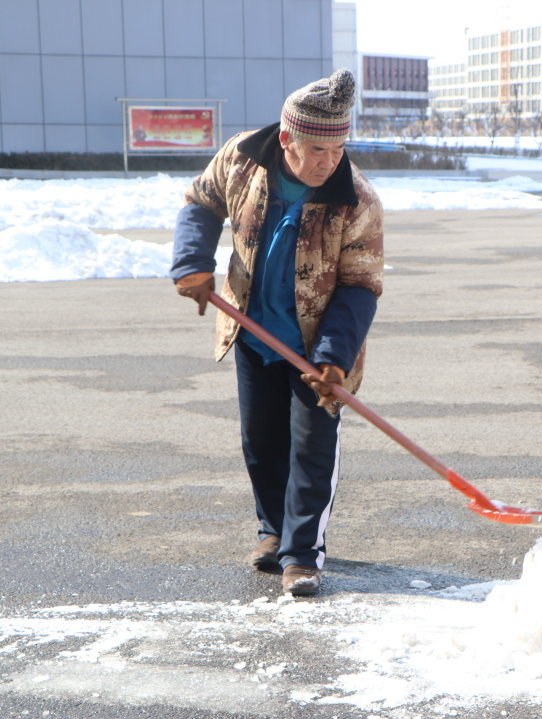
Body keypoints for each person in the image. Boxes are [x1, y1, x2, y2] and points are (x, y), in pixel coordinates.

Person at [170, 69, 384, 596]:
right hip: (251, 330)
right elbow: (201, 201)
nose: (327, 162)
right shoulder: (243, 157)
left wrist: (335, 355)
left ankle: (303, 554)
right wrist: (192, 262)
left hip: (316, 347)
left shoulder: (356, 199)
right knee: (261, 443)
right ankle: (273, 530)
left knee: (312, 451)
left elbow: (360, 286)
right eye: (316, 150)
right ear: (287, 137)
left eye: (336, 151)